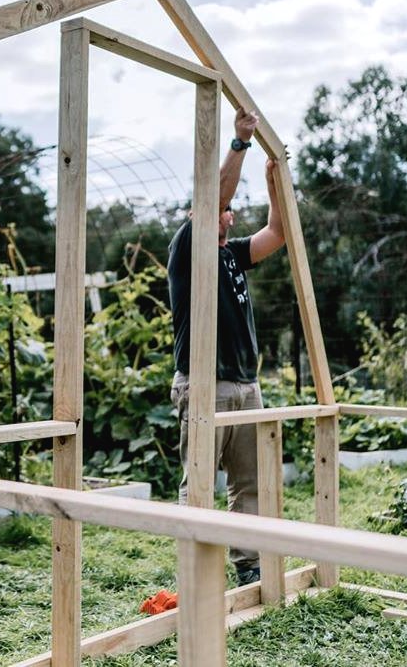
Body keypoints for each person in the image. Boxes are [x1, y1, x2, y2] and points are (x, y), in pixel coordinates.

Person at [166, 107, 286, 586]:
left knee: (249, 483)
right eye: (217, 206)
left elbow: (277, 233)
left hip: (245, 385)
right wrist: (240, 141)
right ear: (197, 213)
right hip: (204, 383)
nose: (226, 211)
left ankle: (249, 567)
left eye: (228, 209)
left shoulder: (233, 254)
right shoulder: (187, 248)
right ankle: (195, 573)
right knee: (199, 482)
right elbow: (215, 196)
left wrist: (274, 182)